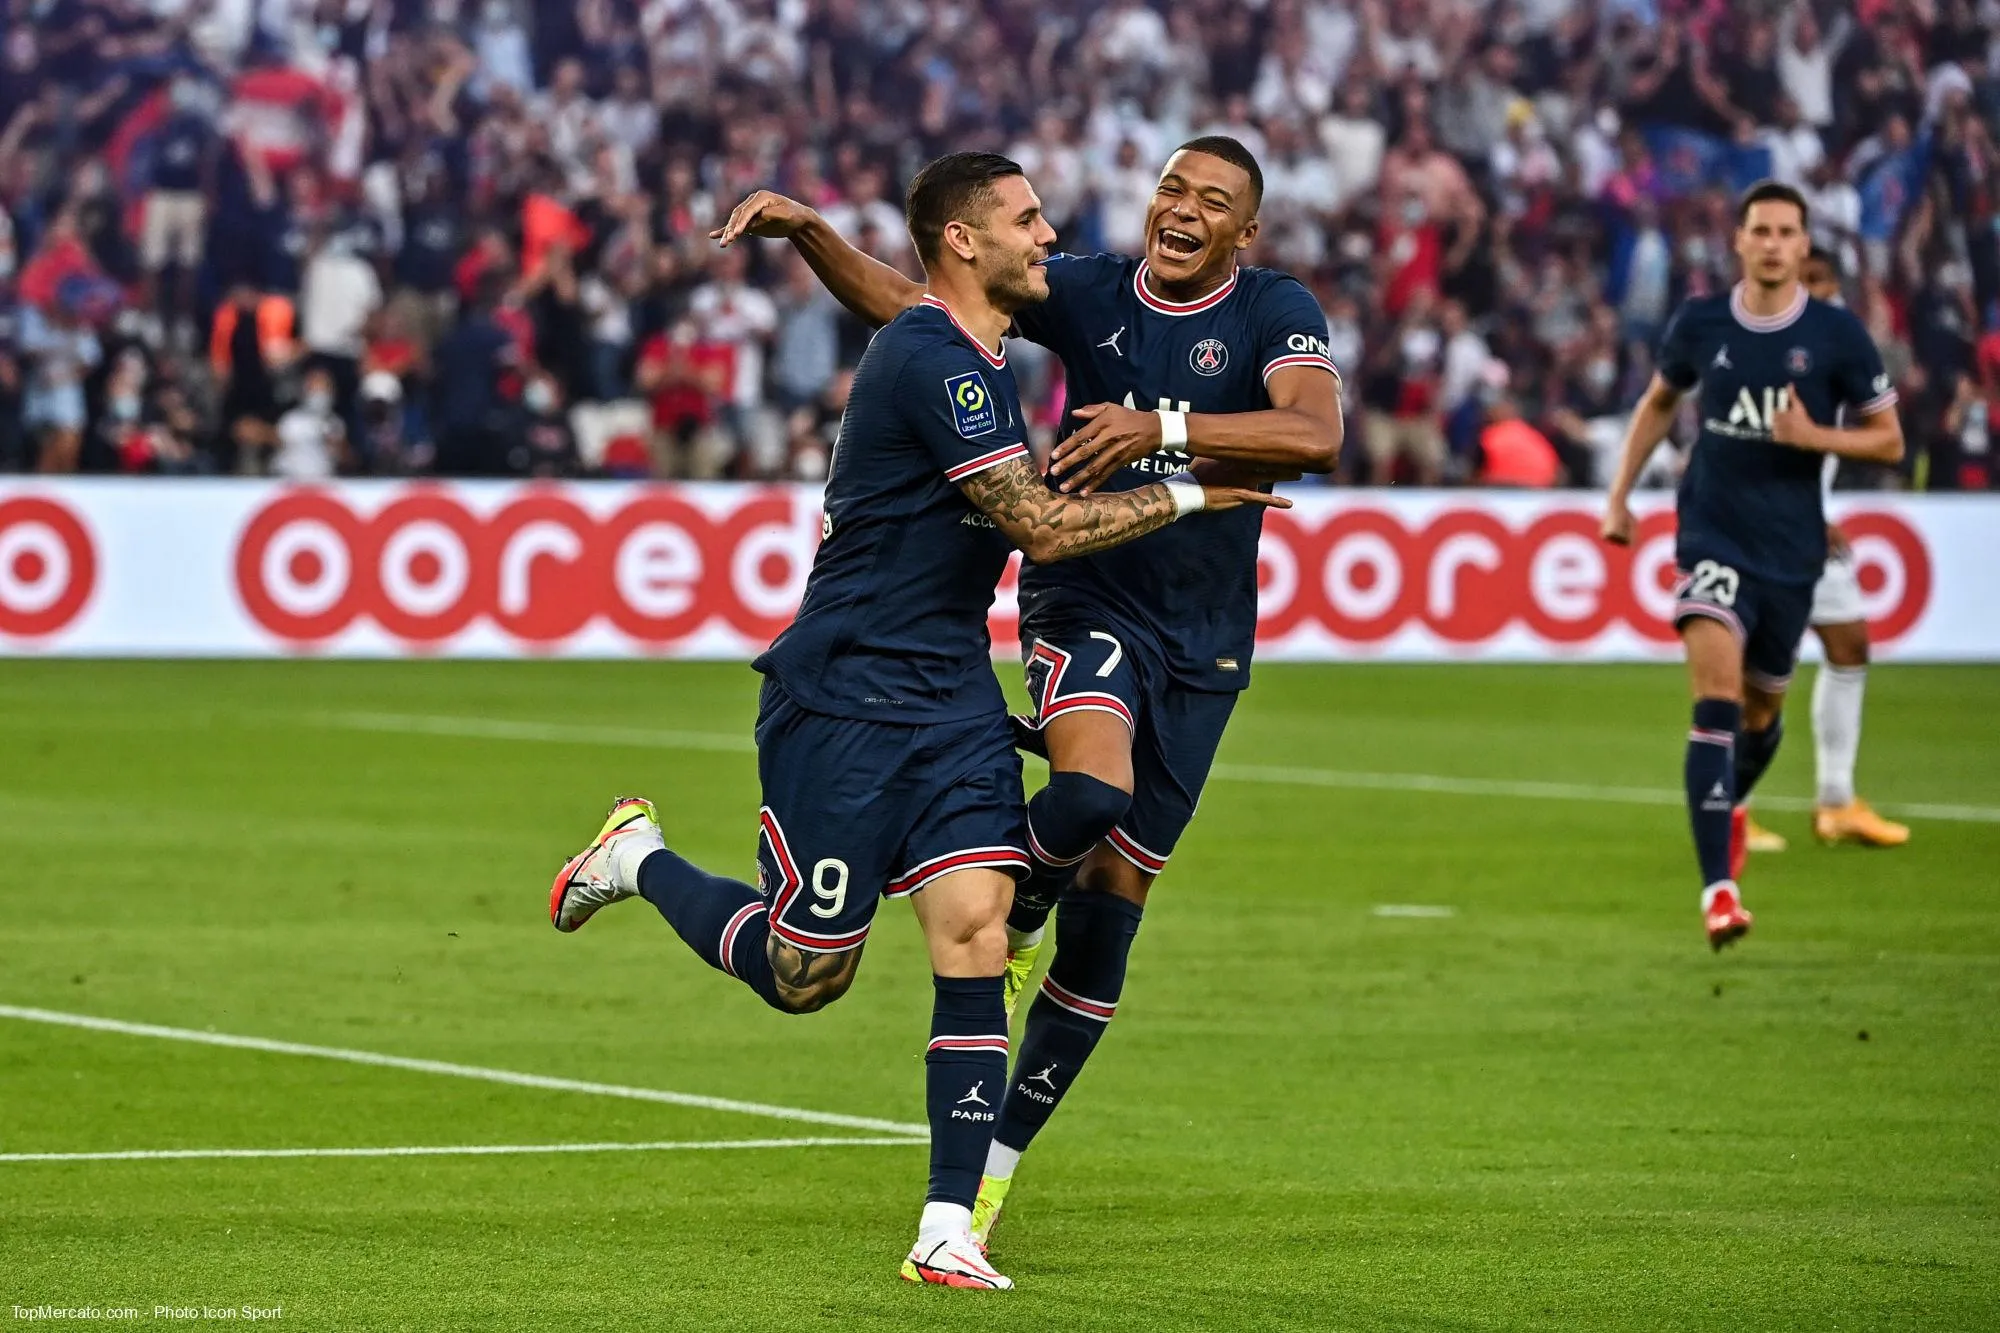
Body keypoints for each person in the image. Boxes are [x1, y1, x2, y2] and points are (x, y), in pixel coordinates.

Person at [545, 152, 1283, 1290]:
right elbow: (1040, 526)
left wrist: (811, 233)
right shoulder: (932, 359)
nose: (1049, 236)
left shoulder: (974, 348)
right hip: (842, 696)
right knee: (805, 972)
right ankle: (637, 857)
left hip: (950, 700)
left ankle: (947, 1225)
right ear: (966, 242)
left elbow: (901, 290)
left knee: (977, 936)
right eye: (1026, 220)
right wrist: (1192, 484)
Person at [709, 134, 1343, 1249]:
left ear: (1244, 231)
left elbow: (1315, 432)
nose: (1182, 209)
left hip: (1204, 640)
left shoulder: (1273, 309)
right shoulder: (1091, 290)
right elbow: (927, 308)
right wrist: (815, 235)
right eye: (1170, 187)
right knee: (1089, 792)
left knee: (1108, 933)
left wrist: (1163, 430)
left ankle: (987, 1182)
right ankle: (1016, 914)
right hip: (1085, 594)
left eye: (1211, 201)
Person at [1600, 182, 1904, 951]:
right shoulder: (1700, 322)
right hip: (1713, 535)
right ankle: (1719, 892)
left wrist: (1815, 438)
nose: (1771, 244)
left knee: (1762, 714)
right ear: (1738, 240)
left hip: (1793, 553)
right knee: (1717, 699)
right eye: (1759, 230)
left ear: (1803, 245)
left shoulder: (1837, 335)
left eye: (1785, 232)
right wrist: (1620, 495)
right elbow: (1661, 402)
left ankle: (1730, 802)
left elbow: (1889, 440)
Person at [1743, 247, 1910, 853]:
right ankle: (1732, 808)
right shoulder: (1762, 352)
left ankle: (1837, 800)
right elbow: (1755, 449)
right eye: (1808, 280)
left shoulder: (1835, 349)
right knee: (1759, 682)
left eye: (1826, 282)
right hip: (1764, 530)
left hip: (1810, 529)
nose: (1819, 291)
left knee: (1849, 645)